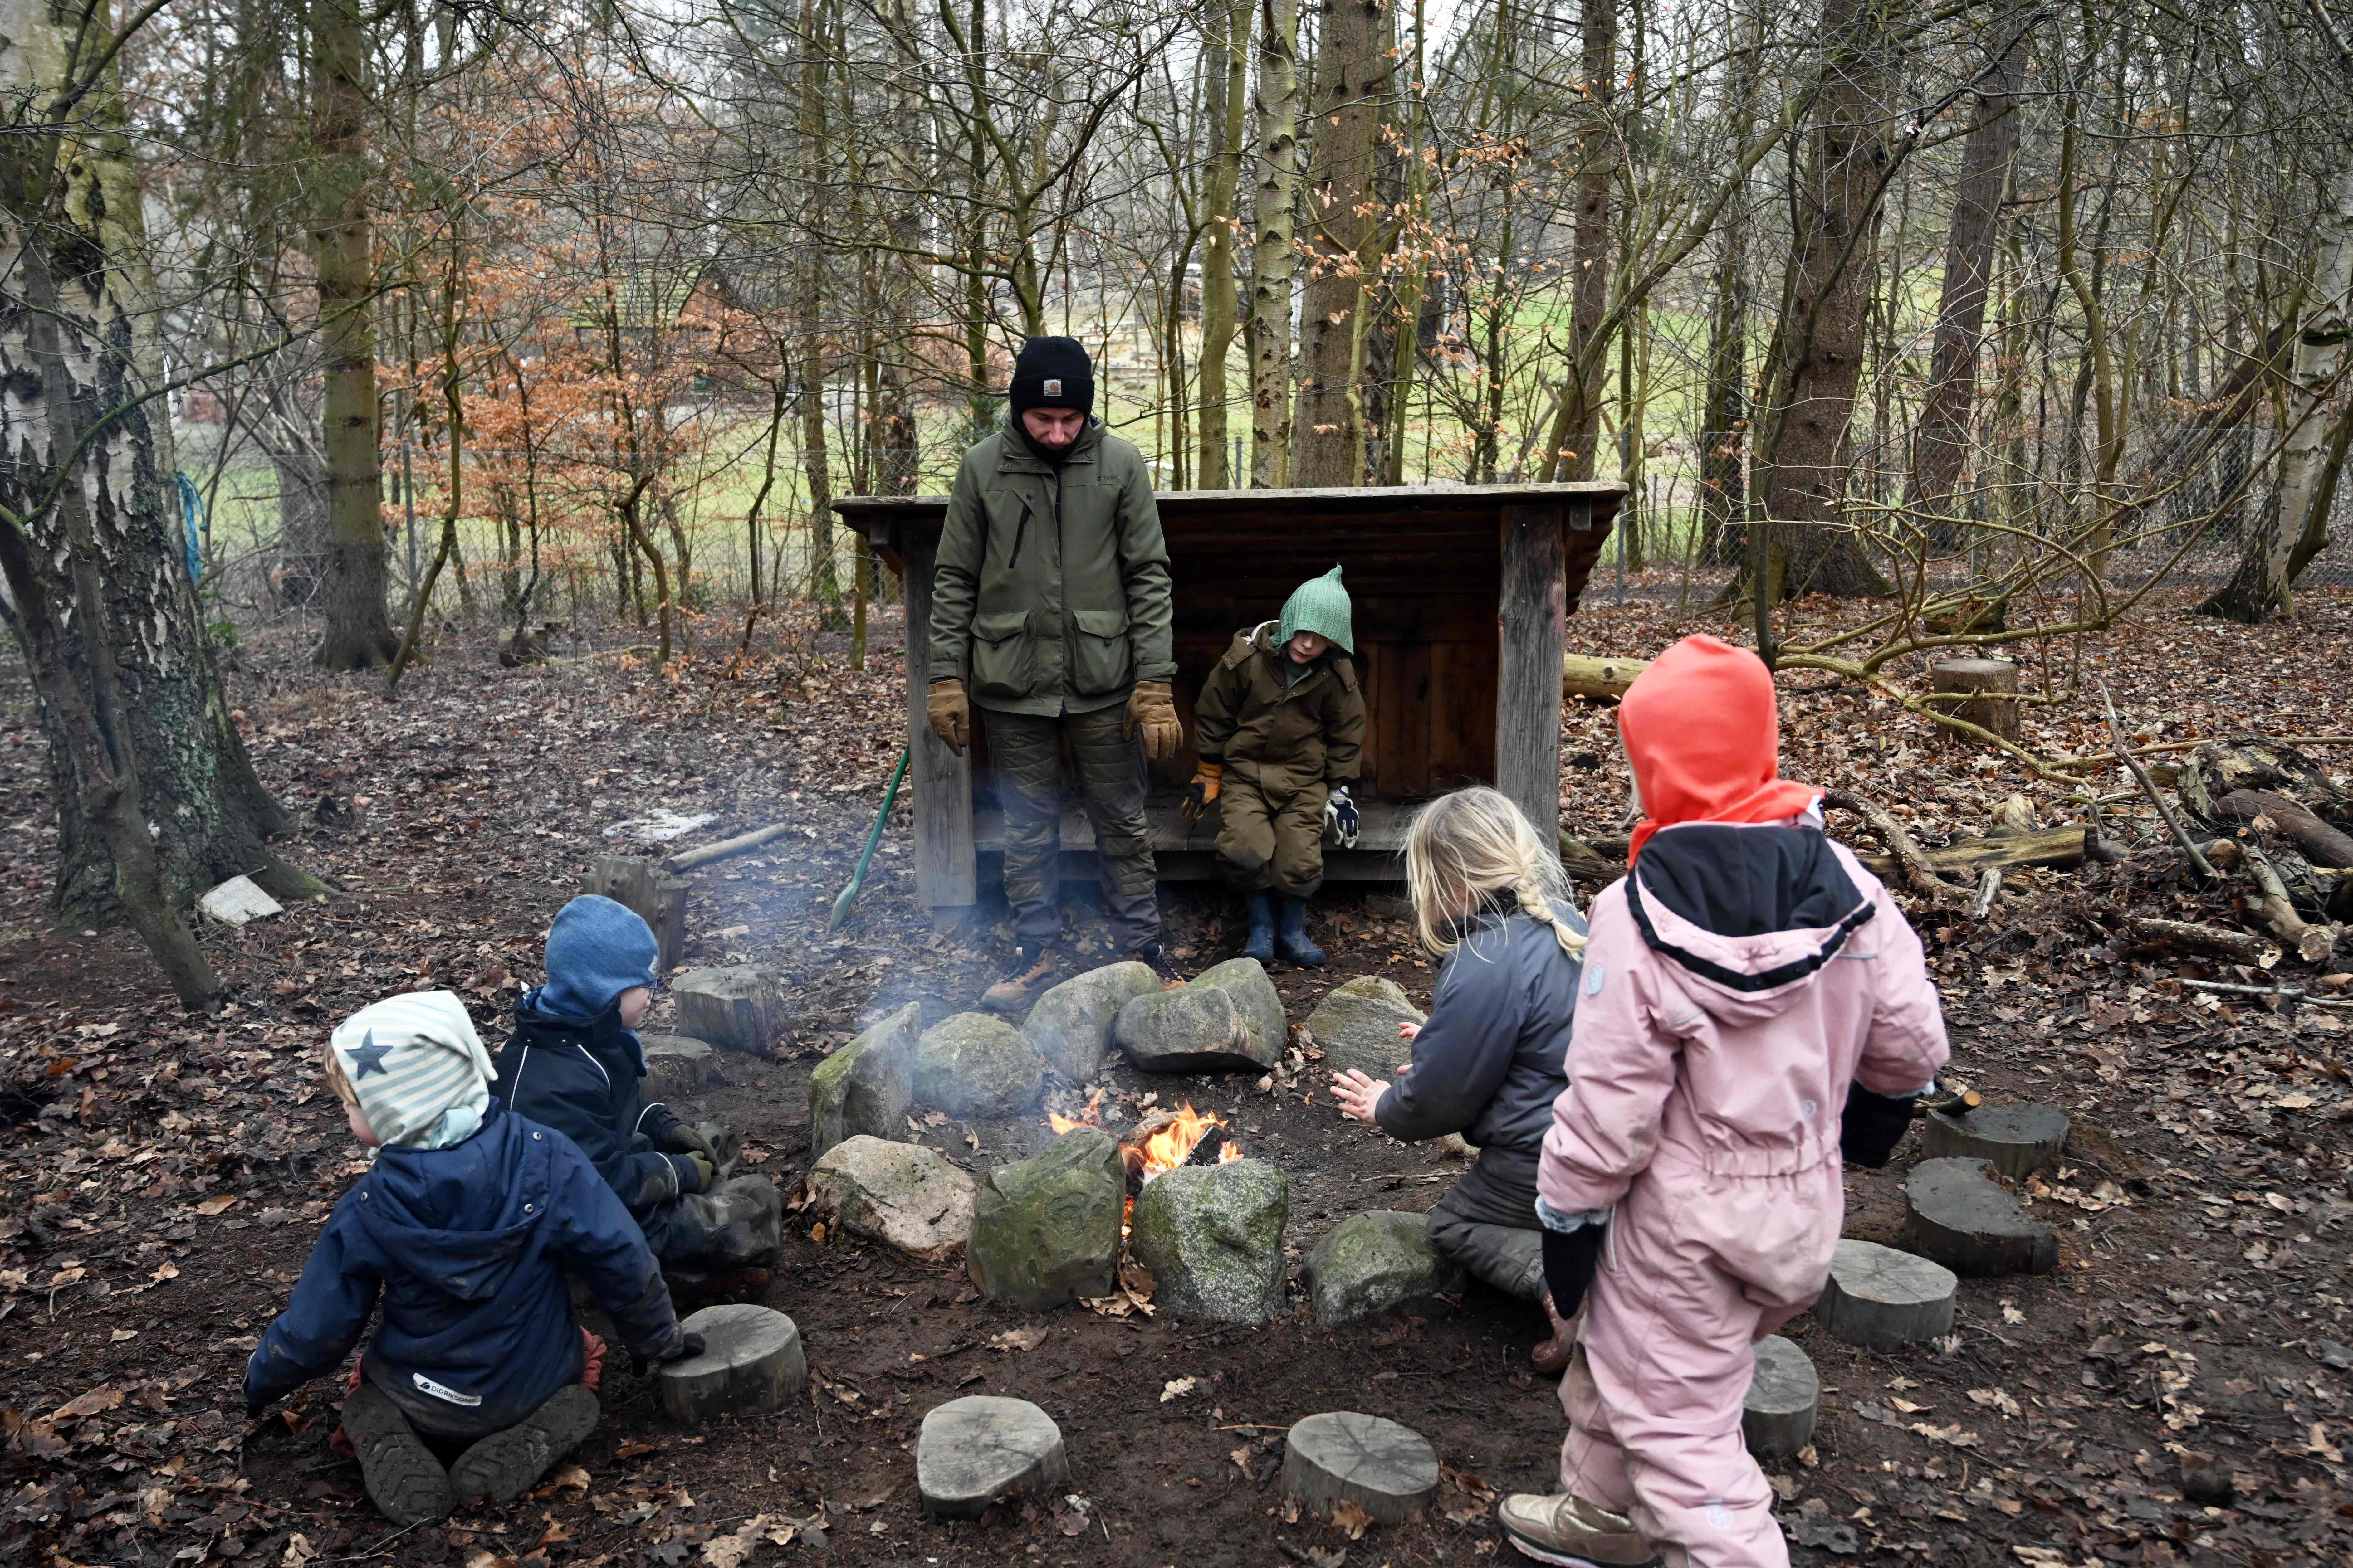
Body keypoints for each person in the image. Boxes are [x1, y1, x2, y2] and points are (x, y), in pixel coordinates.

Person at [1495, 635, 1950, 1568]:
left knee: (1681, 1436)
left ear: (1655, 766)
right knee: (1628, 1371)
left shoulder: (1634, 914)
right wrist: (1866, 1129)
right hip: (1798, 1211)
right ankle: (1602, 1518)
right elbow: (1910, 1040)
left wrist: (1566, 1221)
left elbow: (1608, 1102)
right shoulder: (1854, 891)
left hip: (1680, 1227)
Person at [244, 991, 701, 1525]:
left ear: (398, 1109)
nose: (345, 1113)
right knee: (588, 1352)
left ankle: (385, 1432)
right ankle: (543, 1427)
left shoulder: (368, 1207)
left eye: (353, 1103)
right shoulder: (548, 1155)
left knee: (366, 1392)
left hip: (416, 1396)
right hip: (532, 1385)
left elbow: (318, 1328)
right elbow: (622, 1255)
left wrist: (263, 1378)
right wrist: (658, 1338)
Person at [925, 335, 1185, 1011]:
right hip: (1011, 683)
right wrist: (944, 677)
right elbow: (952, 577)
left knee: (1120, 819)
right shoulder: (982, 468)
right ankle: (1035, 951)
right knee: (1025, 825)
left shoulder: (1121, 464)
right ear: (1018, 411)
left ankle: (1142, 951)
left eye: (1070, 419)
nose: (1058, 431)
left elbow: (1148, 575)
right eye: (1044, 420)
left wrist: (1154, 683)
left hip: (1106, 680)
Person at [1328, 786, 1587, 1364]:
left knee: (1454, 1224)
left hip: (1544, 1162)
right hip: (1610, 1144)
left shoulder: (1484, 959)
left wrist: (1387, 1104)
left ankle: (1569, 1287)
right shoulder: (1568, 922)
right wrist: (1439, 1040)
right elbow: (1539, 1041)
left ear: (1446, 881)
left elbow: (1441, 1102)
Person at [491, 896, 782, 1275]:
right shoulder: (553, 1081)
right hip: (571, 1227)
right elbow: (602, 1183)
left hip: (601, 1179)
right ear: (602, 988)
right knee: (750, 1208)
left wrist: (666, 1128)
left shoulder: (584, 1030)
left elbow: (615, 1106)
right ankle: (664, 1284)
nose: (651, 992)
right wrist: (680, 1173)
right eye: (643, 983)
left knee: (713, 1141)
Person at [1183, 565, 1366, 966]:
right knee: (1244, 851)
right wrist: (1210, 770)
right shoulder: (1247, 660)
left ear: (1334, 642)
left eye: (1319, 639)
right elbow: (1214, 712)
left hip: (1304, 781)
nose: (1306, 644)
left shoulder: (1335, 674)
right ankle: (1261, 928)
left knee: (1299, 862)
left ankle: (1292, 932)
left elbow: (1348, 731)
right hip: (1246, 774)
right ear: (1288, 622)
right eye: (1302, 632)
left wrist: (1339, 790)